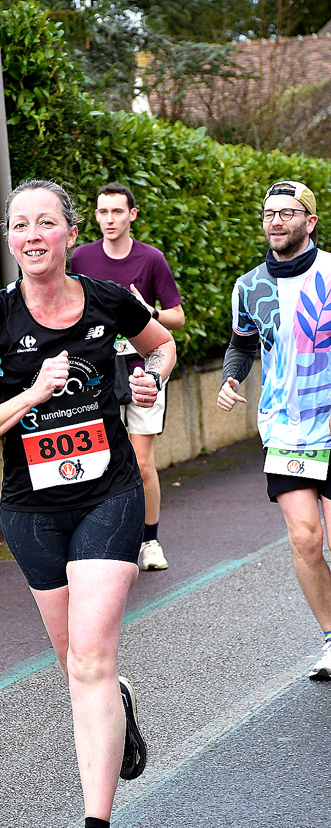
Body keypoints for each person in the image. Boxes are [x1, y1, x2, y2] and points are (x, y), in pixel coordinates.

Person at [0, 179, 176, 828]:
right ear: (10, 238)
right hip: (31, 510)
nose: (32, 235)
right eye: (20, 225)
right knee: (75, 664)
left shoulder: (107, 300)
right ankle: (118, 703)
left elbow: (162, 346)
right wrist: (30, 394)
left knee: (90, 660)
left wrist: (147, 380)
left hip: (109, 495)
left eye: (45, 222)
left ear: (69, 234)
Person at [217, 179, 331, 681]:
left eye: (287, 213)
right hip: (285, 429)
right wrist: (230, 378)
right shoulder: (249, 286)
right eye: (269, 214)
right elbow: (242, 344)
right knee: (305, 539)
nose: (276, 221)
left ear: (310, 221)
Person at [70, 182, 184, 572]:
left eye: (117, 211)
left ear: (132, 215)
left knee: (141, 460)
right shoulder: (81, 258)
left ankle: (150, 541)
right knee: (97, 459)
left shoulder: (151, 259)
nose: (109, 219)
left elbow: (177, 317)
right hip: (97, 372)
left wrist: (147, 311)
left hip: (143, 369)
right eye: (103, 212)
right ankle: (107, 539)